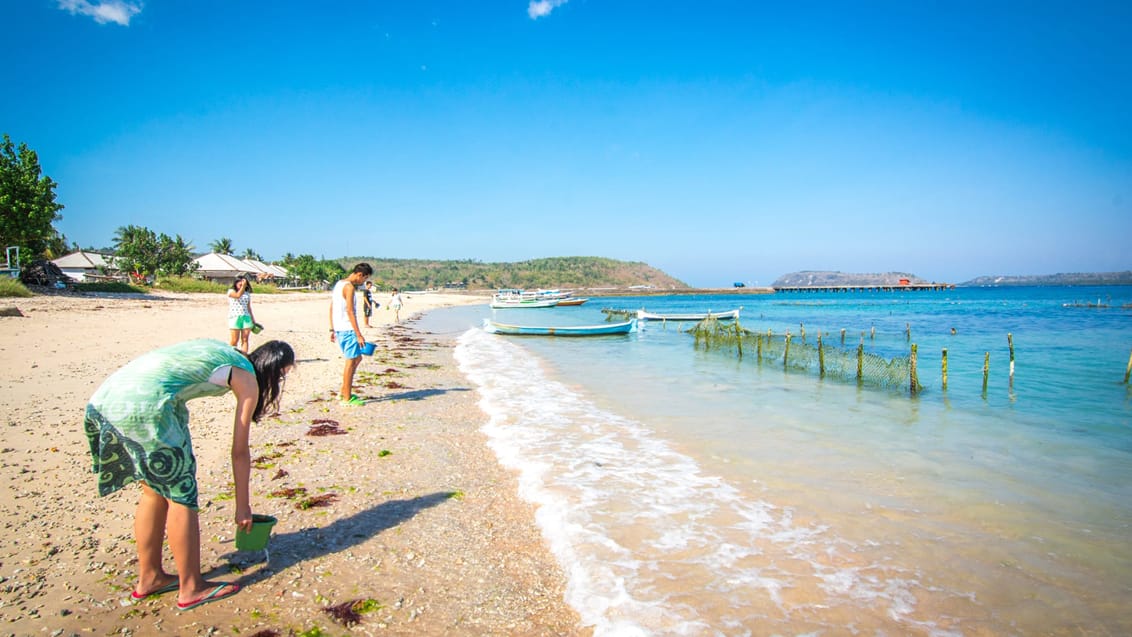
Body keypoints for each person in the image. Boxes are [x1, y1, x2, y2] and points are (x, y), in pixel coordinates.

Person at [83, 338, 295, 611]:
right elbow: (239, 451)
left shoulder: (231, 354)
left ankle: (150, 577)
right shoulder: (247, 378)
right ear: (273, 371)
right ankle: (191, 587)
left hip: (107, 399)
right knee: (181, 493)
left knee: (154, 490)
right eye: (282, 376)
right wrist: (243, 506)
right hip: (147, 406)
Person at [330, 263, 373, 405]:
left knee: (357, 358)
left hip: (340, 328)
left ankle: (344, 391)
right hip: (347, 329)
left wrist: (332, 328)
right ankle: (346, 398)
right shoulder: (349, 288)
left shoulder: (339, 284)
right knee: (351, 361)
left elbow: (332, 307)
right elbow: (350, 311)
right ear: (360, 275)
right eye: (364, 279)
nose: (363, 282)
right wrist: (358, 334)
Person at [227, 276, 256, 353]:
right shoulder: (231, 291)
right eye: (240, 284)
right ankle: (232, 355)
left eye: (243, 284)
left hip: (246, 317)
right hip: (235, 317)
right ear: (236, 283)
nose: (242, 286)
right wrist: (243, 287)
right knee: (234, 340)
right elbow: (237, 296)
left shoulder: (247, 294)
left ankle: (244, 356)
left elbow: (249, 307)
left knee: (245, 339)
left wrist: (253, 319)